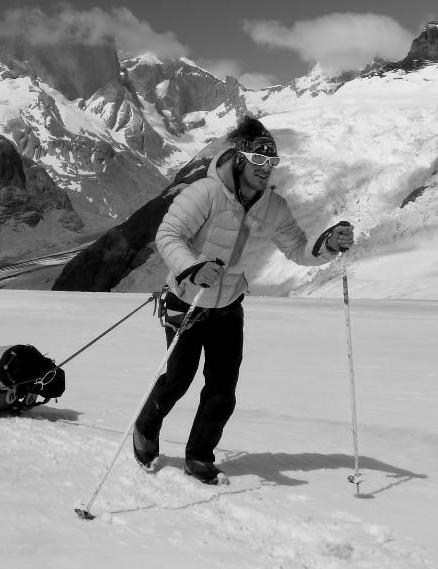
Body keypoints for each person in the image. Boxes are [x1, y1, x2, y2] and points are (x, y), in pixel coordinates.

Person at [133, 115, 354, 484]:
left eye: (272, 163)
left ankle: (199, 457)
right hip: (186, 299)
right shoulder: (204, 193)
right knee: (178, 379)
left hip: (228, 305)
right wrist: (193, 267)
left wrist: (327, 246)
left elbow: (298, 250)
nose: (265, 169)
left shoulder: (274, 207)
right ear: (239, 159)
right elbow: (169, 235)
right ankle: (145, 427)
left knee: (222, 389)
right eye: (258, 161)